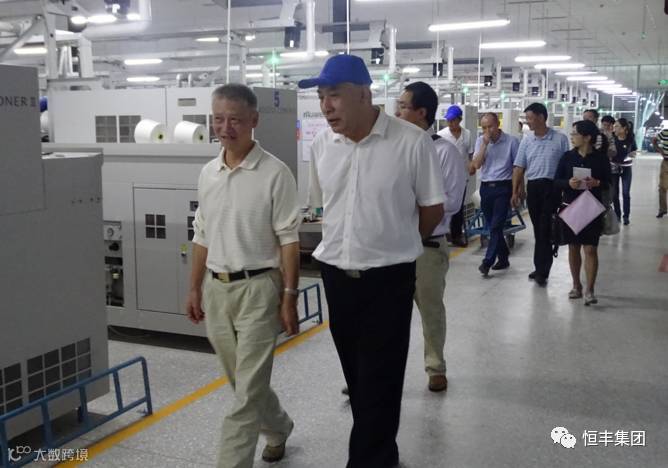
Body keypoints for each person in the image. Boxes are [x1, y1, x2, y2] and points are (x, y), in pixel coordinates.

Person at [301, 54, 445, 468]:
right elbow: (325, 207)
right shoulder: (322, 146)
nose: (326, 106)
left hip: (388, 278)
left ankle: (369, 460)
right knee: (358, 376)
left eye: (334, 95)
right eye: (321, 97)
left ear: (364, 95)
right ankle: (384, 451)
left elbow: (432, 210)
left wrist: (396, 243)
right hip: (336, 277)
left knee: (381, 376)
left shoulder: (410, 142)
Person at [186, 84, 300, 468]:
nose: (225, 128)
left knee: (247, 392)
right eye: (218, 119)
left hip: (259, 289)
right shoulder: (209, 173)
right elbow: (202, 236)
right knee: (242, 381)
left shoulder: (275, 173)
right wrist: (194, 288)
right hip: (217, 289)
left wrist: (289, 297)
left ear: (254, 120)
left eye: (234, 119)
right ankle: (279, 427)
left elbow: (288, 240)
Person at [395, 82, 466, 392]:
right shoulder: (393, 148)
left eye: (403, 107)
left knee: (430, 309)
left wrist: (414, 203)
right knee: (387, 315)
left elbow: (452, 201)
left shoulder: (444, 151)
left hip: (427, 246)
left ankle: (435, 367)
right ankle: (377, 371)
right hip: (393, 246)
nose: (397, 113)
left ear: (421, 112)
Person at [511, 102, 570, 286]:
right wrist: (515, 191)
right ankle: (540, 267)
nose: (527, 122)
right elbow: (519, 167)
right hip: (534, 188)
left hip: (552, 188)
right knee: (539, 229)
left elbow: (567, 166)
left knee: (545, 228)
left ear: (541, 117)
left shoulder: (560, 139)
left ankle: (542, 270)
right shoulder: (527, 140)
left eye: (529, 118)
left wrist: (566, 189)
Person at [554, 120, 611, 305]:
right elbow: (556, 180)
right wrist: (568, 183)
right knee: (573, 247)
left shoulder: (601, 159)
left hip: (592, 207)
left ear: (587, 137)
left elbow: (608, 182)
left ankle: (590, 290)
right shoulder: (567, 157)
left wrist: (597, 183)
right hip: (571, 206)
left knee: (591, 249)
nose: (572, 137)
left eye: (575, 134)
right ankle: (576, 285)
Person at [471, 113, 520, 276]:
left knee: (495, 226)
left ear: (498, 124)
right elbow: (477, 165)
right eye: (484, 128)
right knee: (493, 225)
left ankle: (487, 261)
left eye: (490, 127)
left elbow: (517, 168)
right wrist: (484, 145)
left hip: (503, 188)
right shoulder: (480, 141)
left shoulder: (511, 141)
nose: (487, 131)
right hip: (486, 188)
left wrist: (516, 191)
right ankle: (503, 257)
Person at [438, 105, 474, 247]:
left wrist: (471, 166)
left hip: (461, 178)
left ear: (460, 119)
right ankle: (443, 232)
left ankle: (456, 235)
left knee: (458, 207)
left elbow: (470, 155)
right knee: (443, 206)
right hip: (444, 177)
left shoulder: (467, 134)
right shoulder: (441, 135)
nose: (450, 123)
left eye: (453, 120)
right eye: (448, 120)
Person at [611, 118, 637, 225]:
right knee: (614, 194)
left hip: (626, 168)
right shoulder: (612, 139)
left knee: (626, 192)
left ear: (624, 128)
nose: (614, 129)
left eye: (617, 126)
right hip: (613, 169)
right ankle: (617, 215)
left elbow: (634, 150)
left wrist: (632, 155)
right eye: (614, 126)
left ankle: (626, 216)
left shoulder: (630, 139)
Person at [652, 127, 668, 218]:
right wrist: (660, 150)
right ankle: (663, 209)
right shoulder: (665, 132)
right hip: (666, 162)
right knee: (662, 187)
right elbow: (654, 140)